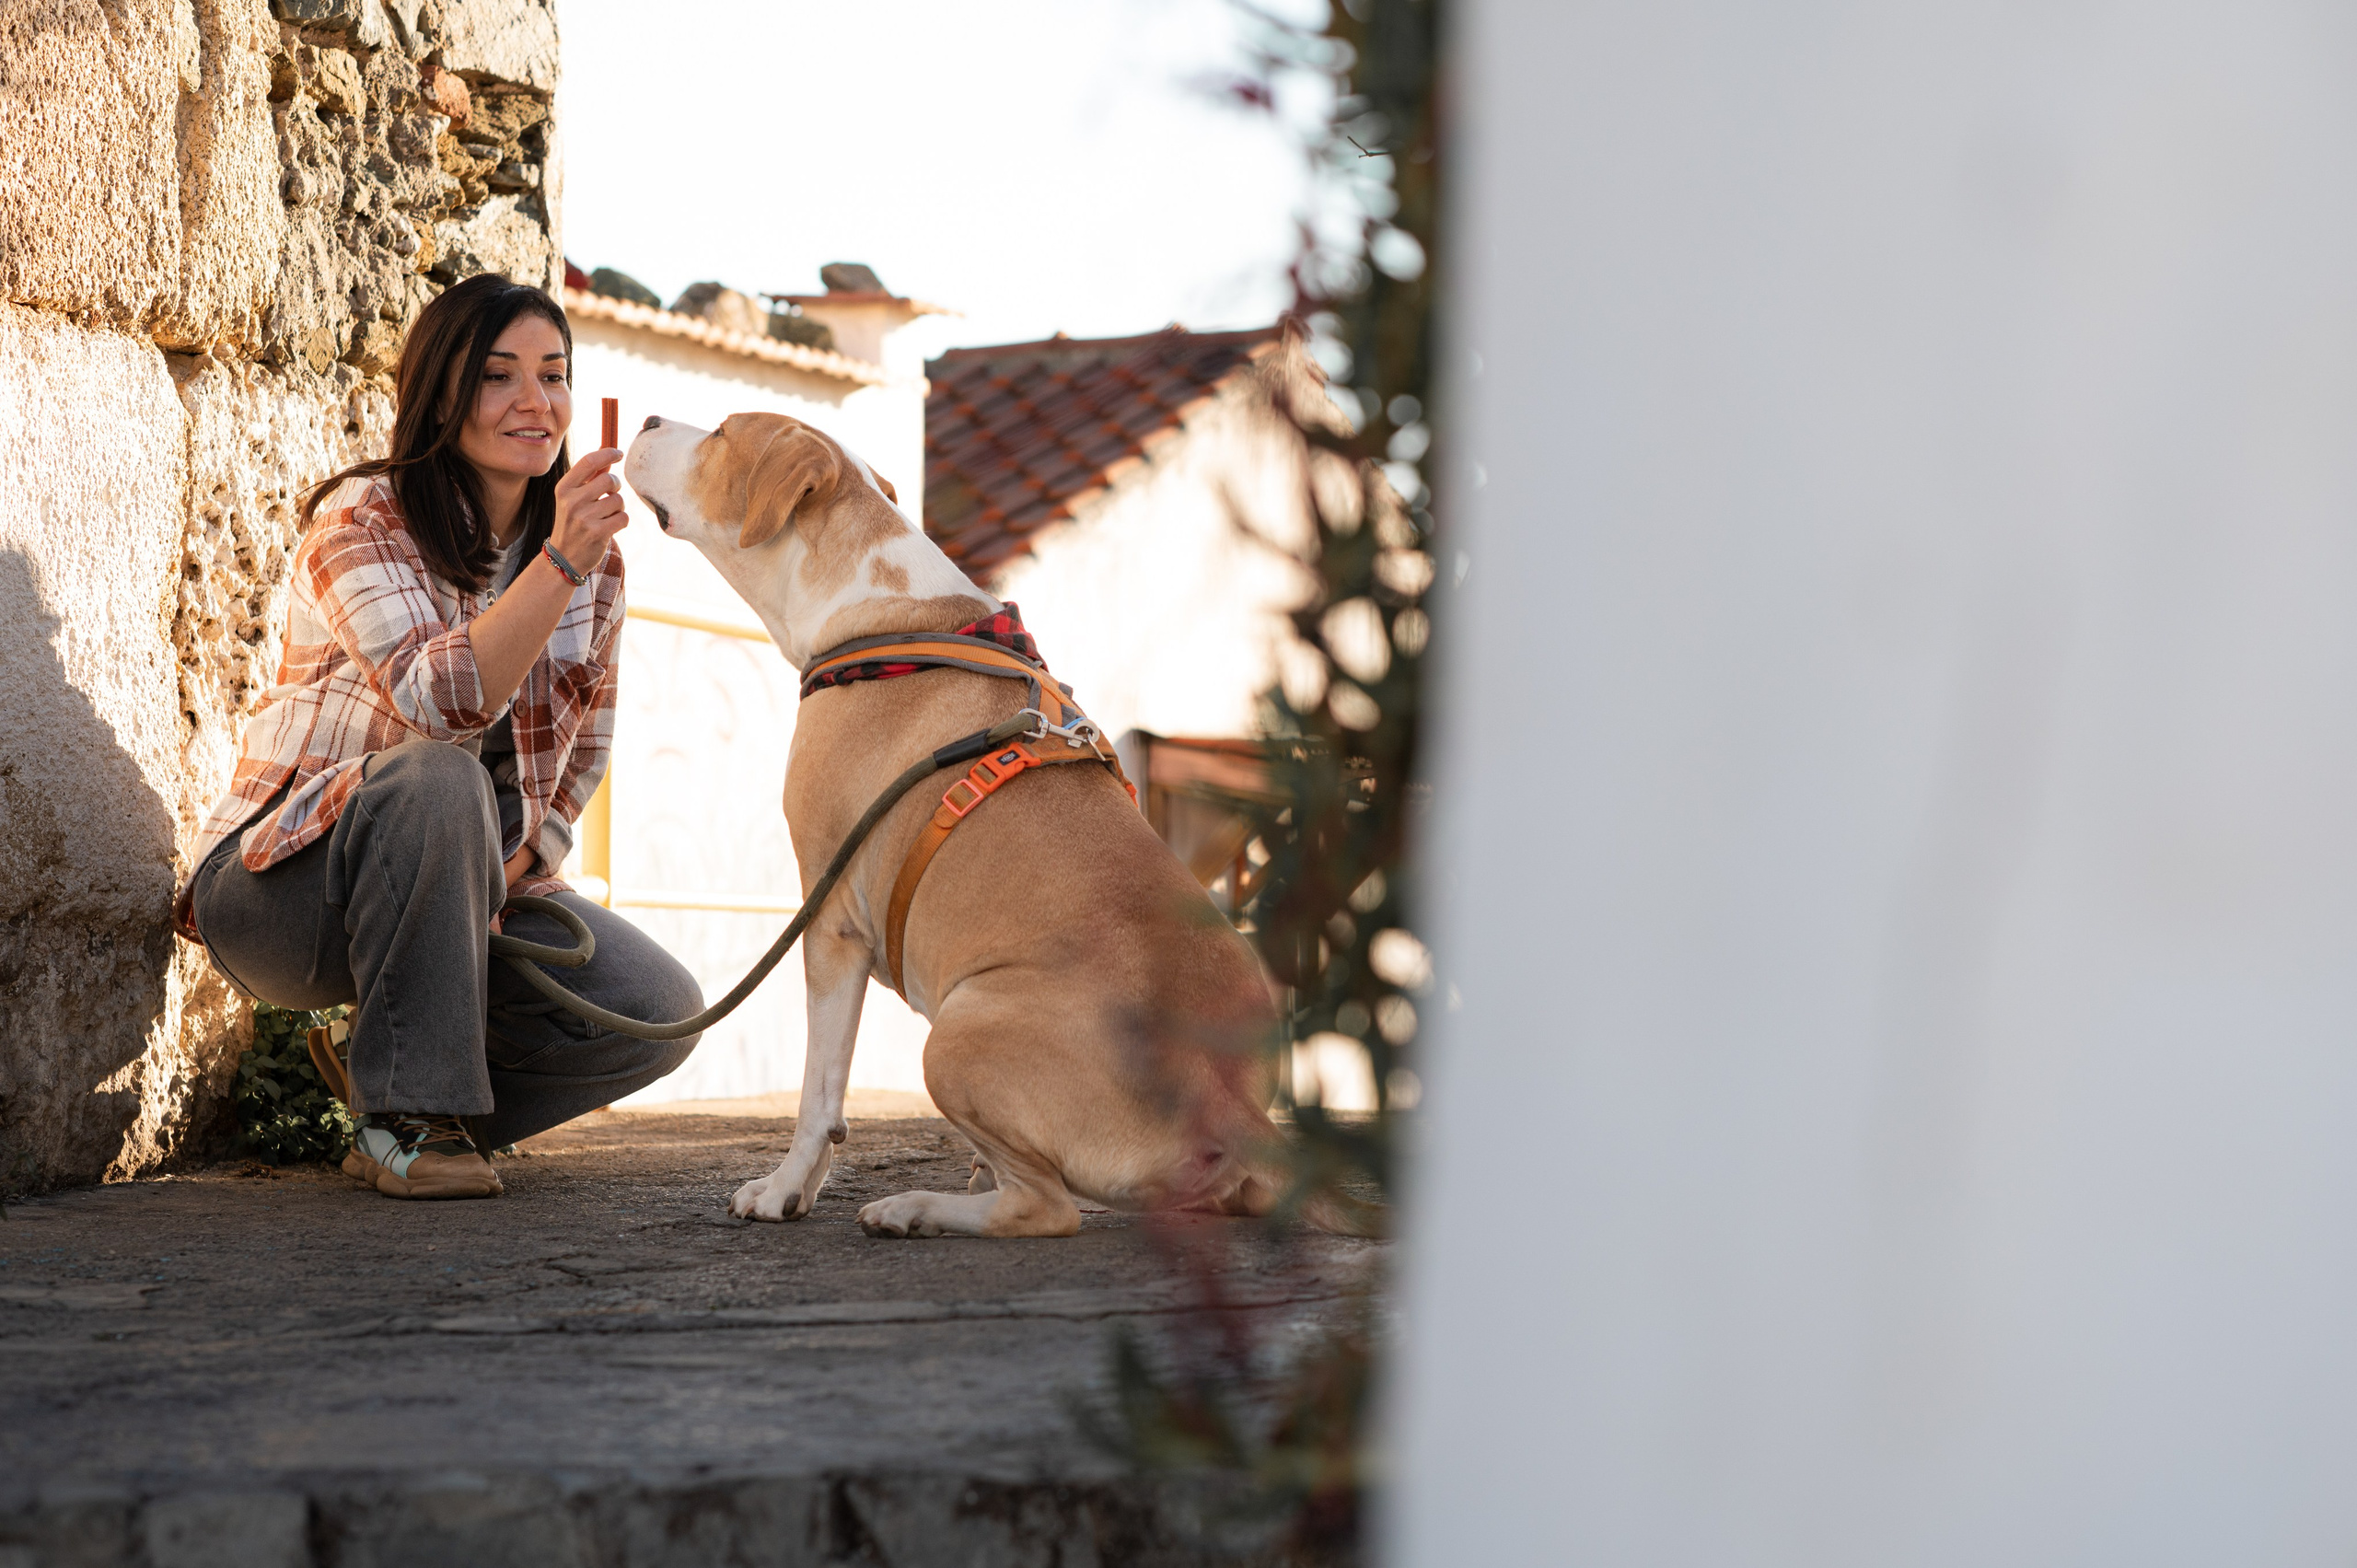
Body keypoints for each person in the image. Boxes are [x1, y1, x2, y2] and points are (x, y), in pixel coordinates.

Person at [178, 273, 703, 1201]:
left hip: (467, 898)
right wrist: (561, 560)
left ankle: (400, 1070)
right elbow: (438, 703)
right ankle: (405, 1118)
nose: (535, 402)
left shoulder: (599, 567)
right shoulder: (362, 519)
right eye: (498, 377)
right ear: (443, 394)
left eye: (553, 374)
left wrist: (514, 865)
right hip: (282, 892)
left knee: (655, 1009)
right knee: (439, 777)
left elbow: (581, 759)